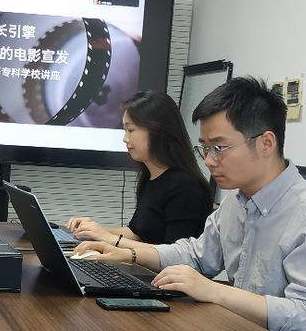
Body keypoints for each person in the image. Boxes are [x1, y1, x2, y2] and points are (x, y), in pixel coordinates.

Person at [72, 77, 306, 331]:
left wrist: (214, 291)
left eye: (219, 147)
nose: (208, 160)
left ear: (266, 143)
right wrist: (129, 254)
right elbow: (196, 255)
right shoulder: (235, 204)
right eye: (204, 148)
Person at [66, 89, 212, 246]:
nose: (125, 138)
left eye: (130, 130)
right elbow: (137, 233)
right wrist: (94, 230)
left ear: (157, 130)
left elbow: (175, 253)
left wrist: (108, 238)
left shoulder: (184, 186)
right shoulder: (150, 176)